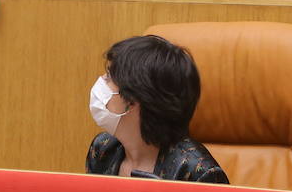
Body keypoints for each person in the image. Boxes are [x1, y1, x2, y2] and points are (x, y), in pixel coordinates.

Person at [85, 35, 229, 183]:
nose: (101, 81)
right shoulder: (103, 149)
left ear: (134, 99)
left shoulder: (197, 173)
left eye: (109, 77)